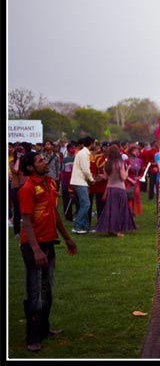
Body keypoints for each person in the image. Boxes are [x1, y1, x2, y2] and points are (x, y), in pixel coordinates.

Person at [17, 151, 78, 352]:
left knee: (47, 288)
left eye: (44, 159)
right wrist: (35, 250)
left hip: (49, 243)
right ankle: (32, 337)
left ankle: (44, 329)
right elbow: (26, 221)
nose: (45, 162)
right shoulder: (27, 189)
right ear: (30, 168)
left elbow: (54, 214)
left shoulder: (50, 183)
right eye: (40, 160)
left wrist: (68, 238)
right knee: (35, 292)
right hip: (34, 246)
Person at [94, 144, 137, 237]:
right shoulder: (120, 163)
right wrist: (127, 171)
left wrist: (99, 177)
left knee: (111, 210)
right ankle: (117, 230)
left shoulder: (107, 164)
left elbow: (105, 177)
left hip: (110, 189)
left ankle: (111, 229)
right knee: (120, 210)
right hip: (120, 189)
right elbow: (123, 177)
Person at [69, 136, 96, 234]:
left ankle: (85, 227)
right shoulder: (84, 154)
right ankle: (77, 226)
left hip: (79, 181)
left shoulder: (83, 153)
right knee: (86, 204)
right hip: (80, 181)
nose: (95, 145)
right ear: (91, 143)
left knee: (84, 204)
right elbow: (86, 170)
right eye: (94, 143)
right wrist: (91, 180)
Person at [60, 142, 77, 222]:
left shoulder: (77, 158)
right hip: (66, 181)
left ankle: (76, 215)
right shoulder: (65, 160)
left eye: (74, 148)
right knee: (66, 200)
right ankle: (68, 217)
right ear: (67, 149)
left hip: (75, 180)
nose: (72, 150)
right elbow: (62, 171)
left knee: (76, 200)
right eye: (71, 148)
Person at [126, 144, 144, 216]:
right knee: (129, 197)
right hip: (128, 181)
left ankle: (134, 213)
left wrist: (140, 177)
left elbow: (142, 171)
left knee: (136, 198)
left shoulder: (140, 161)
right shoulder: (127, 161)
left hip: (136, 182)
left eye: (137, 150)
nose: (136, 152)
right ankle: (128, 214)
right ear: (130, 151)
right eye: (134, 150)